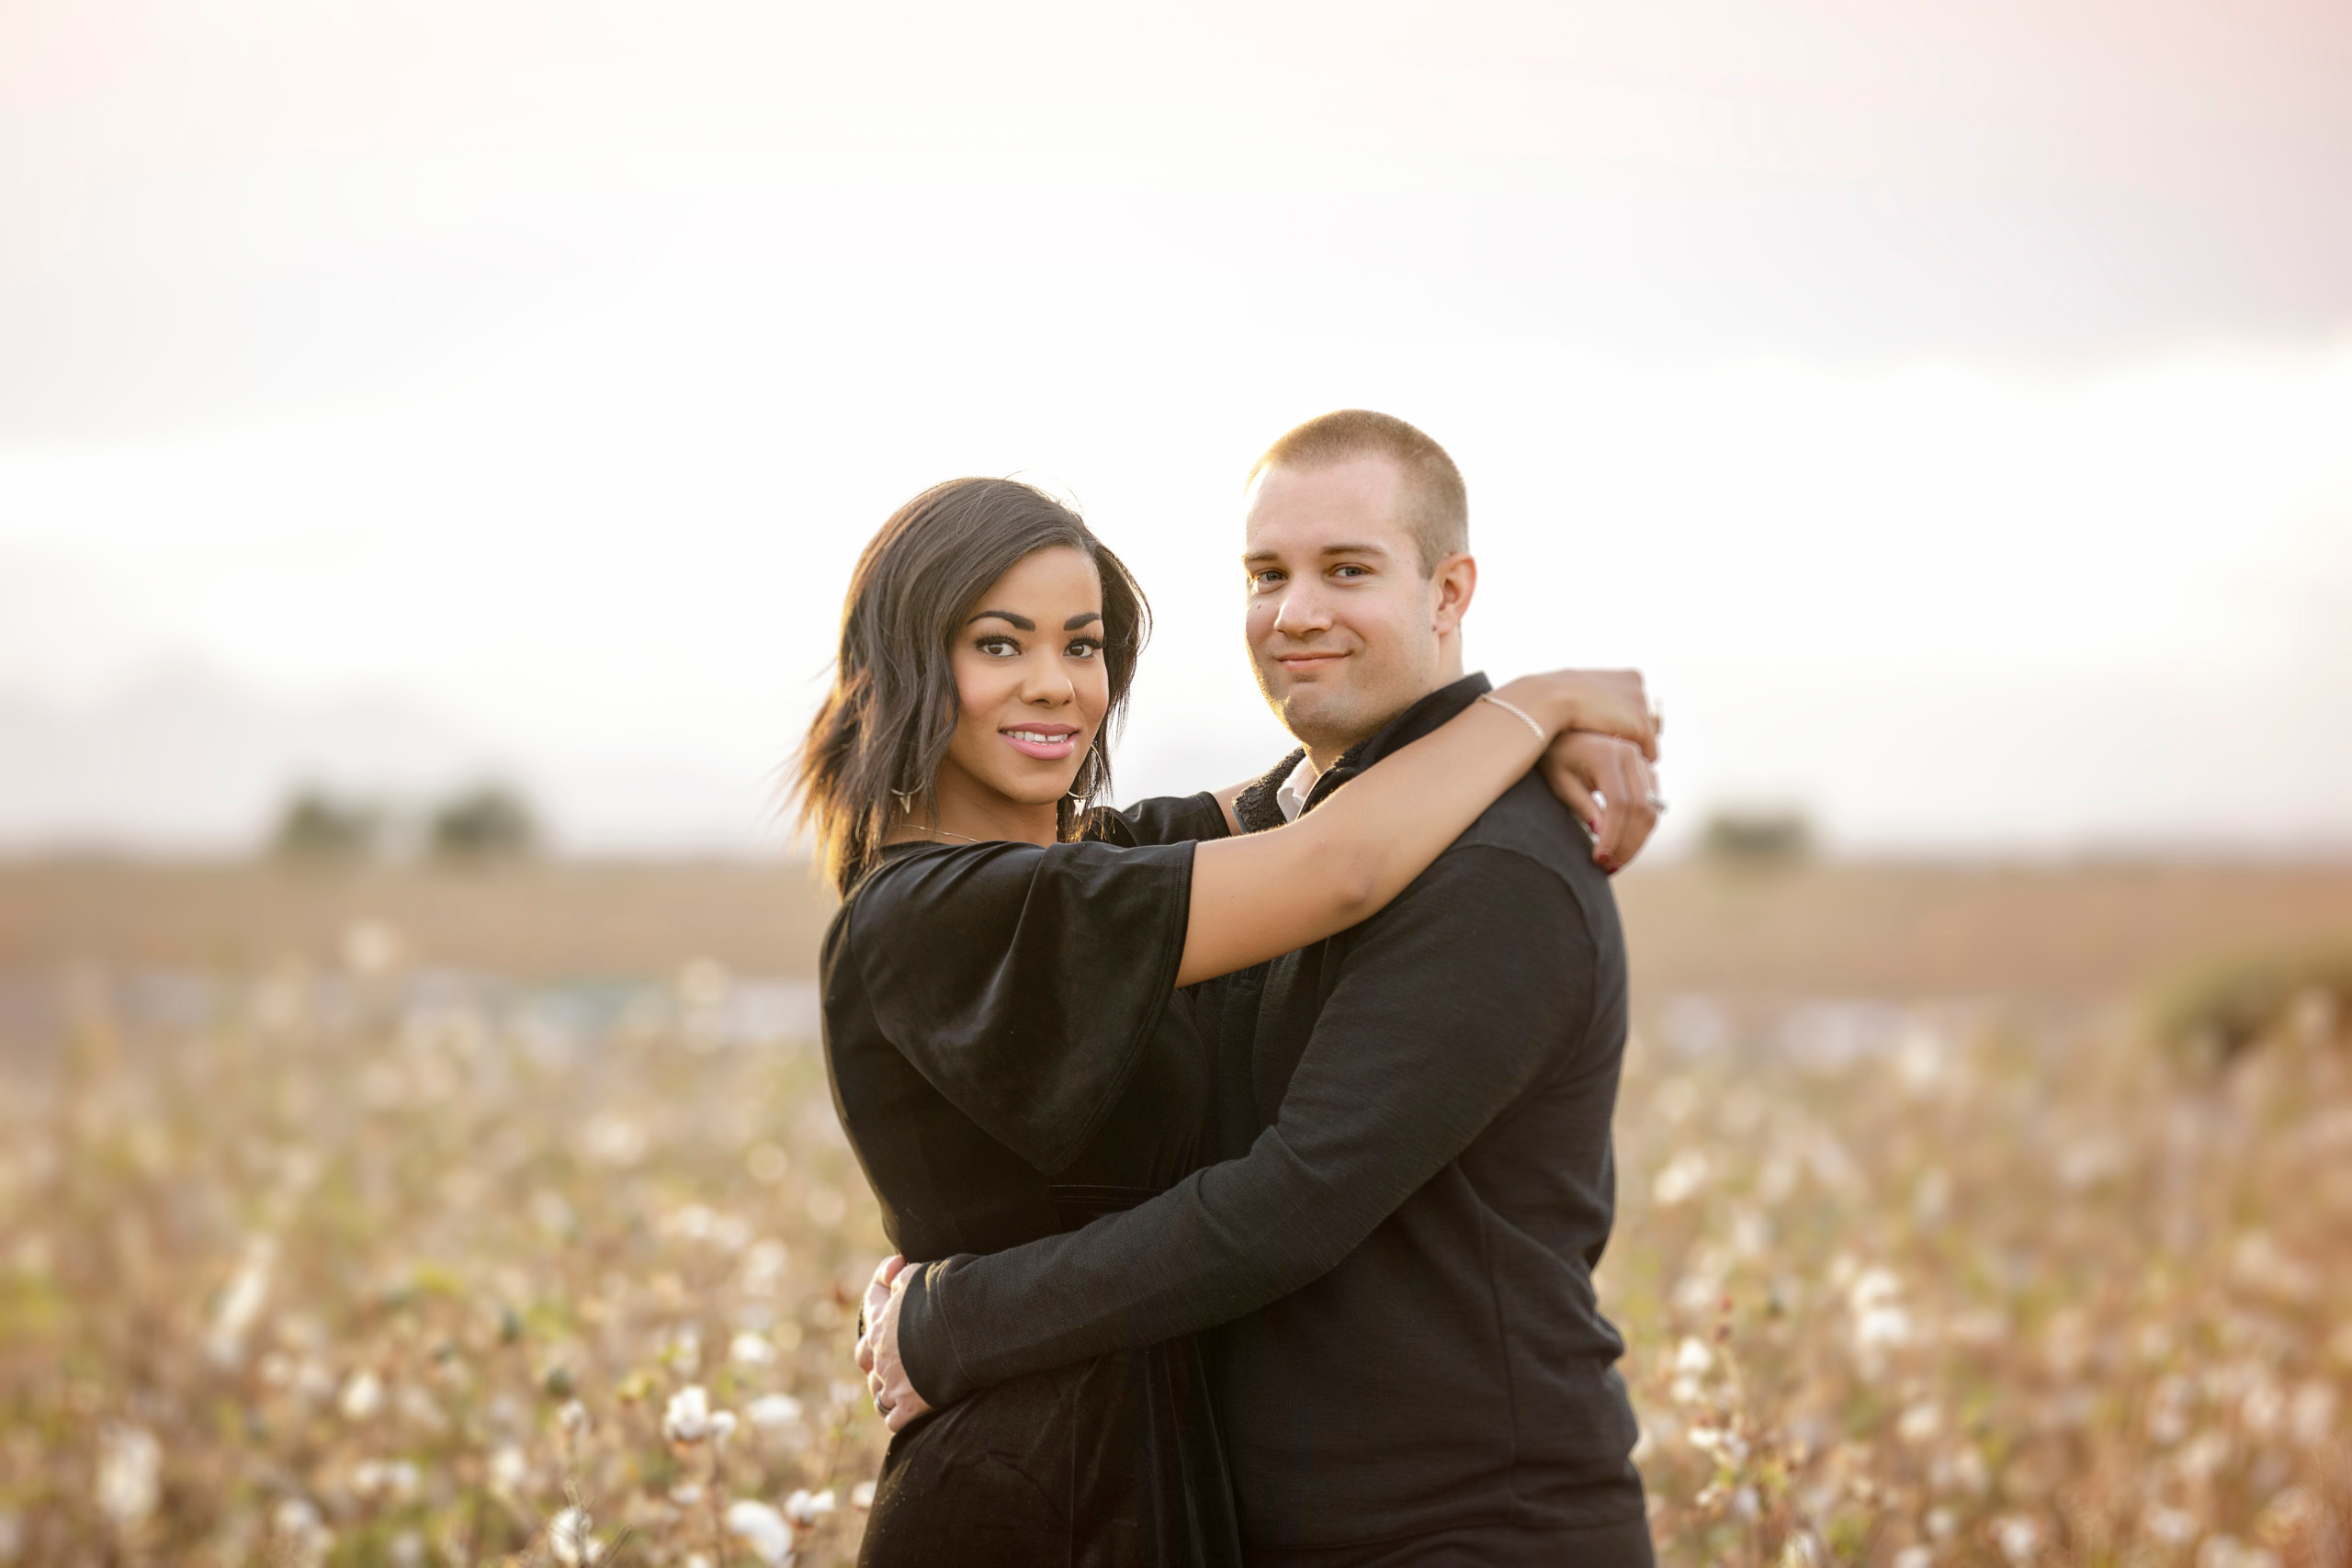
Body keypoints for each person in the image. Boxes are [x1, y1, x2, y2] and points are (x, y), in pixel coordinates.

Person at [797, 471, 1657, 1568]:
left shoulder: (1089, 864)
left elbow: (1305, 796)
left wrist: (1527, 749)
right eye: (999, 645)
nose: (1056, 685)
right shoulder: (951, 910)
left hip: (1137, 1470)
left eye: (1083, 645)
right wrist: (1535, 706)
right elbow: (1336, 860)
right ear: (913, 661)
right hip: (1025, 1486)